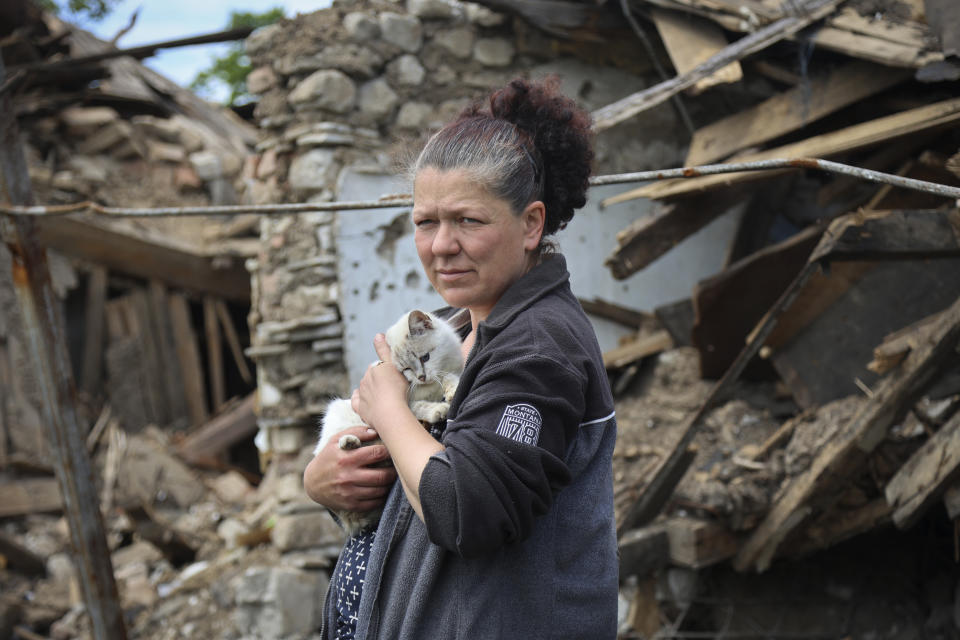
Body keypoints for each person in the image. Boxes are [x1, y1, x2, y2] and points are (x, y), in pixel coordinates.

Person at [304, 76, 618, 639]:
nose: (441, 245)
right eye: (426, 221)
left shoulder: (541, 348)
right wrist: (328, 482)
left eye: (468, 221)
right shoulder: (447, 329)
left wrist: (389, 408)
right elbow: (408, 474)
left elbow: (469, 512)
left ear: (531, 223)